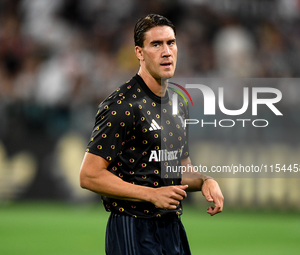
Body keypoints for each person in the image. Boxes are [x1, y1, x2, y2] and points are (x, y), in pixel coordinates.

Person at [80, 14, 224, 255]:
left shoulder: (179, 102)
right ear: (139, 52)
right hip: (132, 228)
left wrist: (205, 181)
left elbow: (179, 168)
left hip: (172, 227)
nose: (166, 51)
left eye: (171, 42)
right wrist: (151, 194)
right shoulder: (122, 104)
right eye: (156, 44)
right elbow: (89, 176)